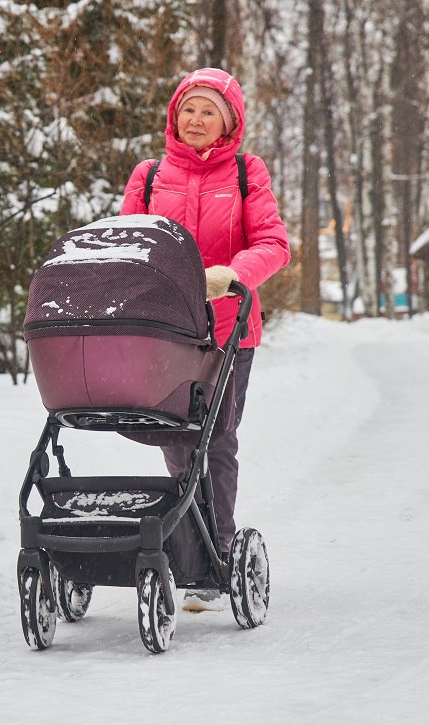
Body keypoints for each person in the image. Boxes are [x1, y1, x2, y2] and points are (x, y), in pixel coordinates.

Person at [119, 68, 290, 611]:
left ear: (228, 120)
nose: (195, 119)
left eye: (208, 110)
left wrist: (235, 273)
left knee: (215, 438)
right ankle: (186, 549)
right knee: (175, 437)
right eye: (188, 108)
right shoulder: (147, 176)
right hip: (165, 332)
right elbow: (128, 239)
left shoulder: (246, 172)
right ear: (175, 114)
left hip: (227, 330)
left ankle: (214, 558)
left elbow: (273, 242)